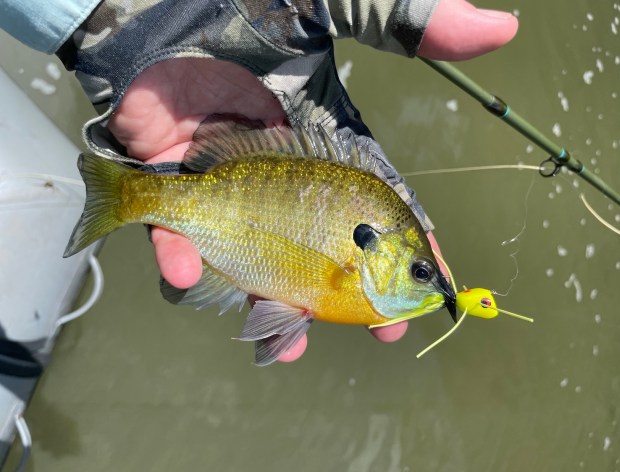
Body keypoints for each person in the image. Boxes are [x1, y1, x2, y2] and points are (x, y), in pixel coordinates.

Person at [1, 0, 518, 362]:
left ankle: (126, 192)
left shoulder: (361, 273)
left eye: (422, 275)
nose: (428, 284)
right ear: (374, 253)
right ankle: (124, 193)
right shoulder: (351, 277)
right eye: (418, 273)